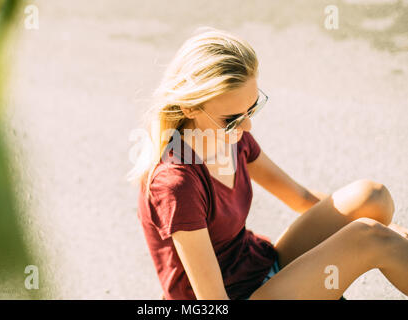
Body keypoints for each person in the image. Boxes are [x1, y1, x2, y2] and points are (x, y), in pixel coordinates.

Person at [128, 27, 408, 300]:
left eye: (252, 108)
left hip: (261, 265)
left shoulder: (231, 139)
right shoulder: (177, 183)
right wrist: (379, 237)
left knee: (373, 196)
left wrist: (393, 230)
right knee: (369, 238)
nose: (247, 125)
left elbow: (303, 199)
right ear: (189, 107)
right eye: (233, 118)